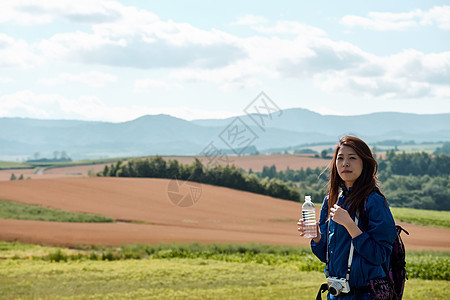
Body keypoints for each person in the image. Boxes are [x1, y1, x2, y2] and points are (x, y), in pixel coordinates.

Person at [297, 136, 397, 300]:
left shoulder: (374, 202)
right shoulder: (330, 201)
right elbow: (326, 257)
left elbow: (380, 255)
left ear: (365, 163)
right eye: (340, 158)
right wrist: (317, 238)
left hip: (366, 295)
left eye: (352, 158)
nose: (345, 163)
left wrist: (350, 225)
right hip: (336, 294)